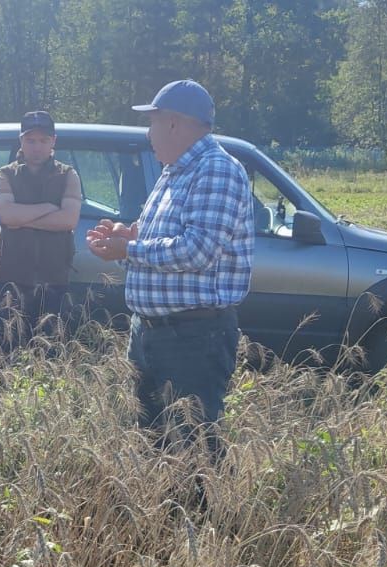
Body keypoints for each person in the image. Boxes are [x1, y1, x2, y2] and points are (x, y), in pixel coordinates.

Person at [87, 80, 255, 462]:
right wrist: (125, 240)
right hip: (153, 334)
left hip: (192, 338)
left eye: (153, 123)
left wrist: (129, 247)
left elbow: (198, 251)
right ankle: (160, 520)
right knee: (152, 445)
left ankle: (199, 521)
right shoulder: (173, 172)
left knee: (192, 450)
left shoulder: (216, 170)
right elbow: (160, 244)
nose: (149, 134)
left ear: (175, 124)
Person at [0, 110, 82, 362]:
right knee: (3, 358)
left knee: (51, 359)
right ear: (21, 141)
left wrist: (23, 217)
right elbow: (6, 216)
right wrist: (49, 208)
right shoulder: (5, 174)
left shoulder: (68, 175)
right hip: (11, 281)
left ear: (53, 142)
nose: (37, 146)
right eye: (30, 140)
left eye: (43, 140)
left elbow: (69, 220)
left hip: (54, 282)